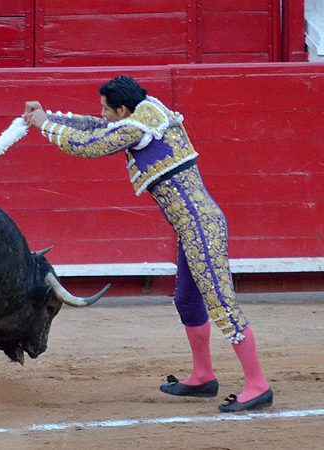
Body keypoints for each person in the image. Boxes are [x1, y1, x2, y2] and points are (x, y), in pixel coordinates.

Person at [23, 75, 273, 413]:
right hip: (193, 226)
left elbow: (85, 145)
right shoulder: (147, 110)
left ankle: (257, 384)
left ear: (123, 109)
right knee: (187, 299)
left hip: (200, 227)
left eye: (107, 109)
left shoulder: (135, 127)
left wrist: (44, 126)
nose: (103, 114)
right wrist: (49, 118)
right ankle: (203, 376)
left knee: (221, 304)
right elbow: (98, 127)